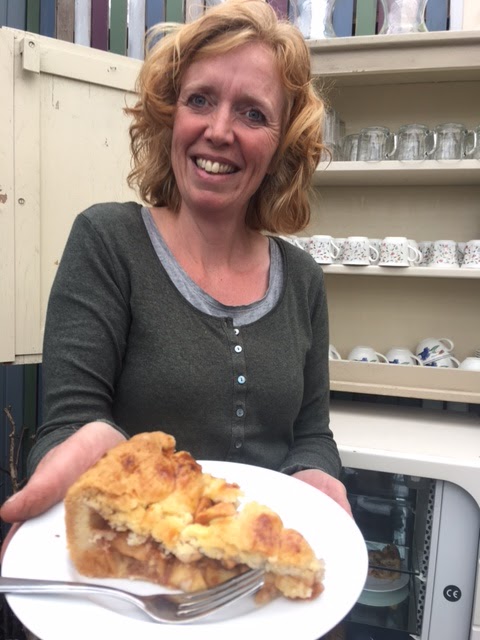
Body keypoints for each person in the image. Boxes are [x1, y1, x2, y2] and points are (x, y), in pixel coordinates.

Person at [0, 0, 350, 557]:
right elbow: (68, 425)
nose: (219, 130)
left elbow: (311, 434)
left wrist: (317, 472)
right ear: (170, 115)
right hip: (135, 566)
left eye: (252, 114)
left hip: (258, 568)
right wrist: (83, 446)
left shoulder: (302, 279)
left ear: (282, 143)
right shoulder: (108, 242)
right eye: (200, 100)